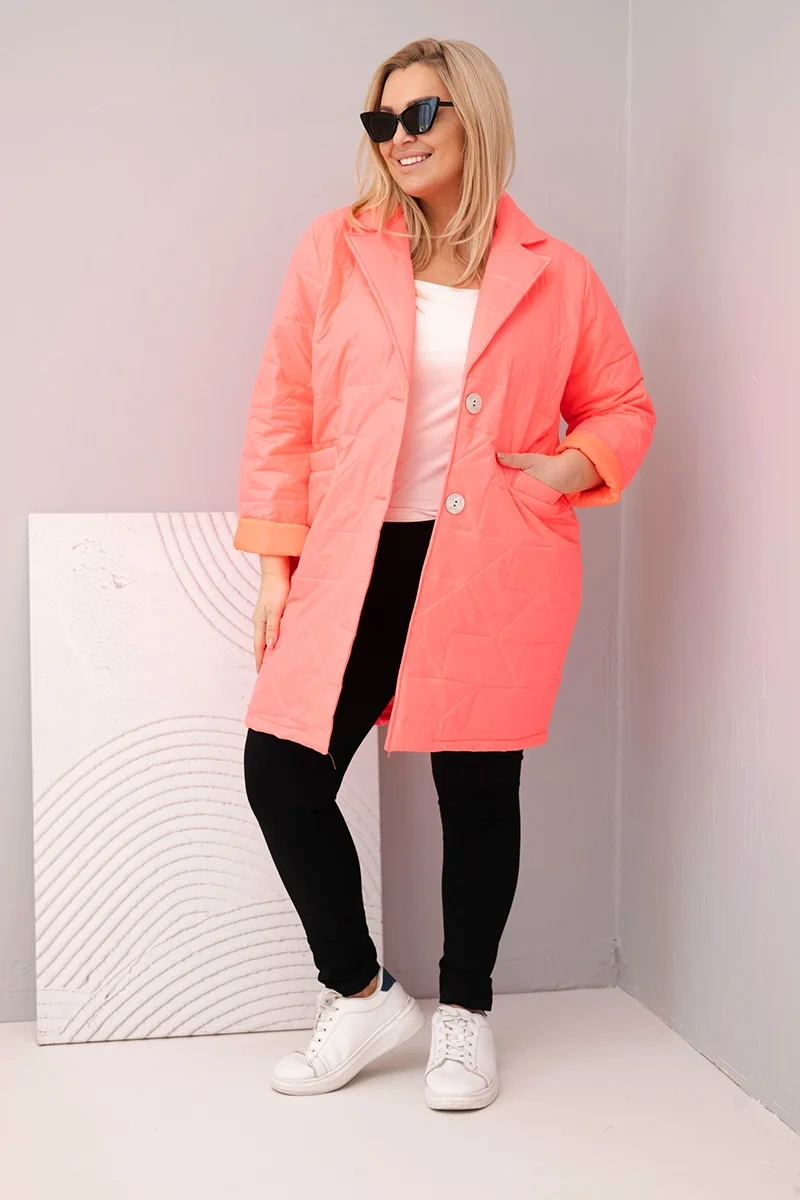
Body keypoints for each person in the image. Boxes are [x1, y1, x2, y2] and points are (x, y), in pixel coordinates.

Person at [233, 37, 655, 1111]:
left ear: (473, 117)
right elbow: (284, 408)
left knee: (475, 792)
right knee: (280, 771)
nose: (398, 138)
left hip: (491, 558)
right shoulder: (335, 248)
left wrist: (567, 466)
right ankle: (360, 992)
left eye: (420, 114)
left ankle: (465, 1012)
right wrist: (278, 564)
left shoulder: (556, 273)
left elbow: (621, 405)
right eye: (382, 121)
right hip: (355, 554)